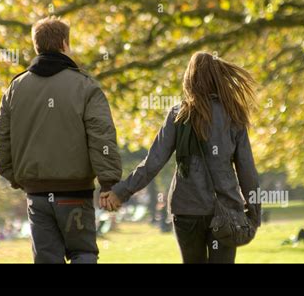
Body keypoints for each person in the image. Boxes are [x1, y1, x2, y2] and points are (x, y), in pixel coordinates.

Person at [101, 51, 261, 263]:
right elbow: (247, 171)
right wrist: (254, 213)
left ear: (190, 79)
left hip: (186, 209)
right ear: (218, 77)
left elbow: (153, 162)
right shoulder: (234, 116)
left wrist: (121, 192)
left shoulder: (178, 115)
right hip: (226, 210)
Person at [0, 16, 122, 263]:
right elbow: (102, 138)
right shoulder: (85, 87)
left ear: (36, 46)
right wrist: (108, 183)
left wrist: (15, 177)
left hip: (37, 194)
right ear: (64, 43)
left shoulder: (15, 89)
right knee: (82, 252)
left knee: (46, 259)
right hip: (75, 192)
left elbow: (1, 140)